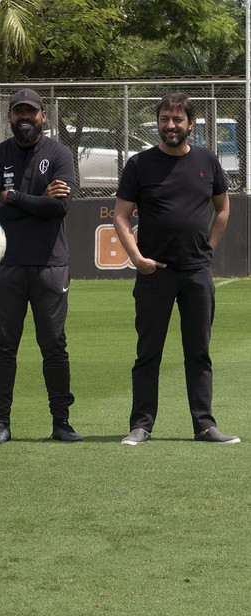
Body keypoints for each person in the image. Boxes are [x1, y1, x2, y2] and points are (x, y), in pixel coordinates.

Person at [112, 92, 237, 446]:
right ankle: (141, 425)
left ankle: (204, 425)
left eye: (177, 119)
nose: (170, 126)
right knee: (148, 351)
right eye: (165, 119)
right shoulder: (139, 165)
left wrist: (208, 249)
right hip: (155, 272)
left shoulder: (208, 161)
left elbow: (223, 209)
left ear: (190, 124)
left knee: (198, 351)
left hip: (197, 272)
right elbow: (121, 216)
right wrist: (137, 258)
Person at [0, 88, 82, 445]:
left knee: (54, 343)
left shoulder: (58, 153)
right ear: (9, 117)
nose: (25, 117)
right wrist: (38, 199)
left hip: (50, 265)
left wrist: (16, 198)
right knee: (3, 345)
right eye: (18, 112)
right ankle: (0, 424)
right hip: (5, 266)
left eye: (31, 112)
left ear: (43, 116)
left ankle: (61, 422)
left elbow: (60, 208)